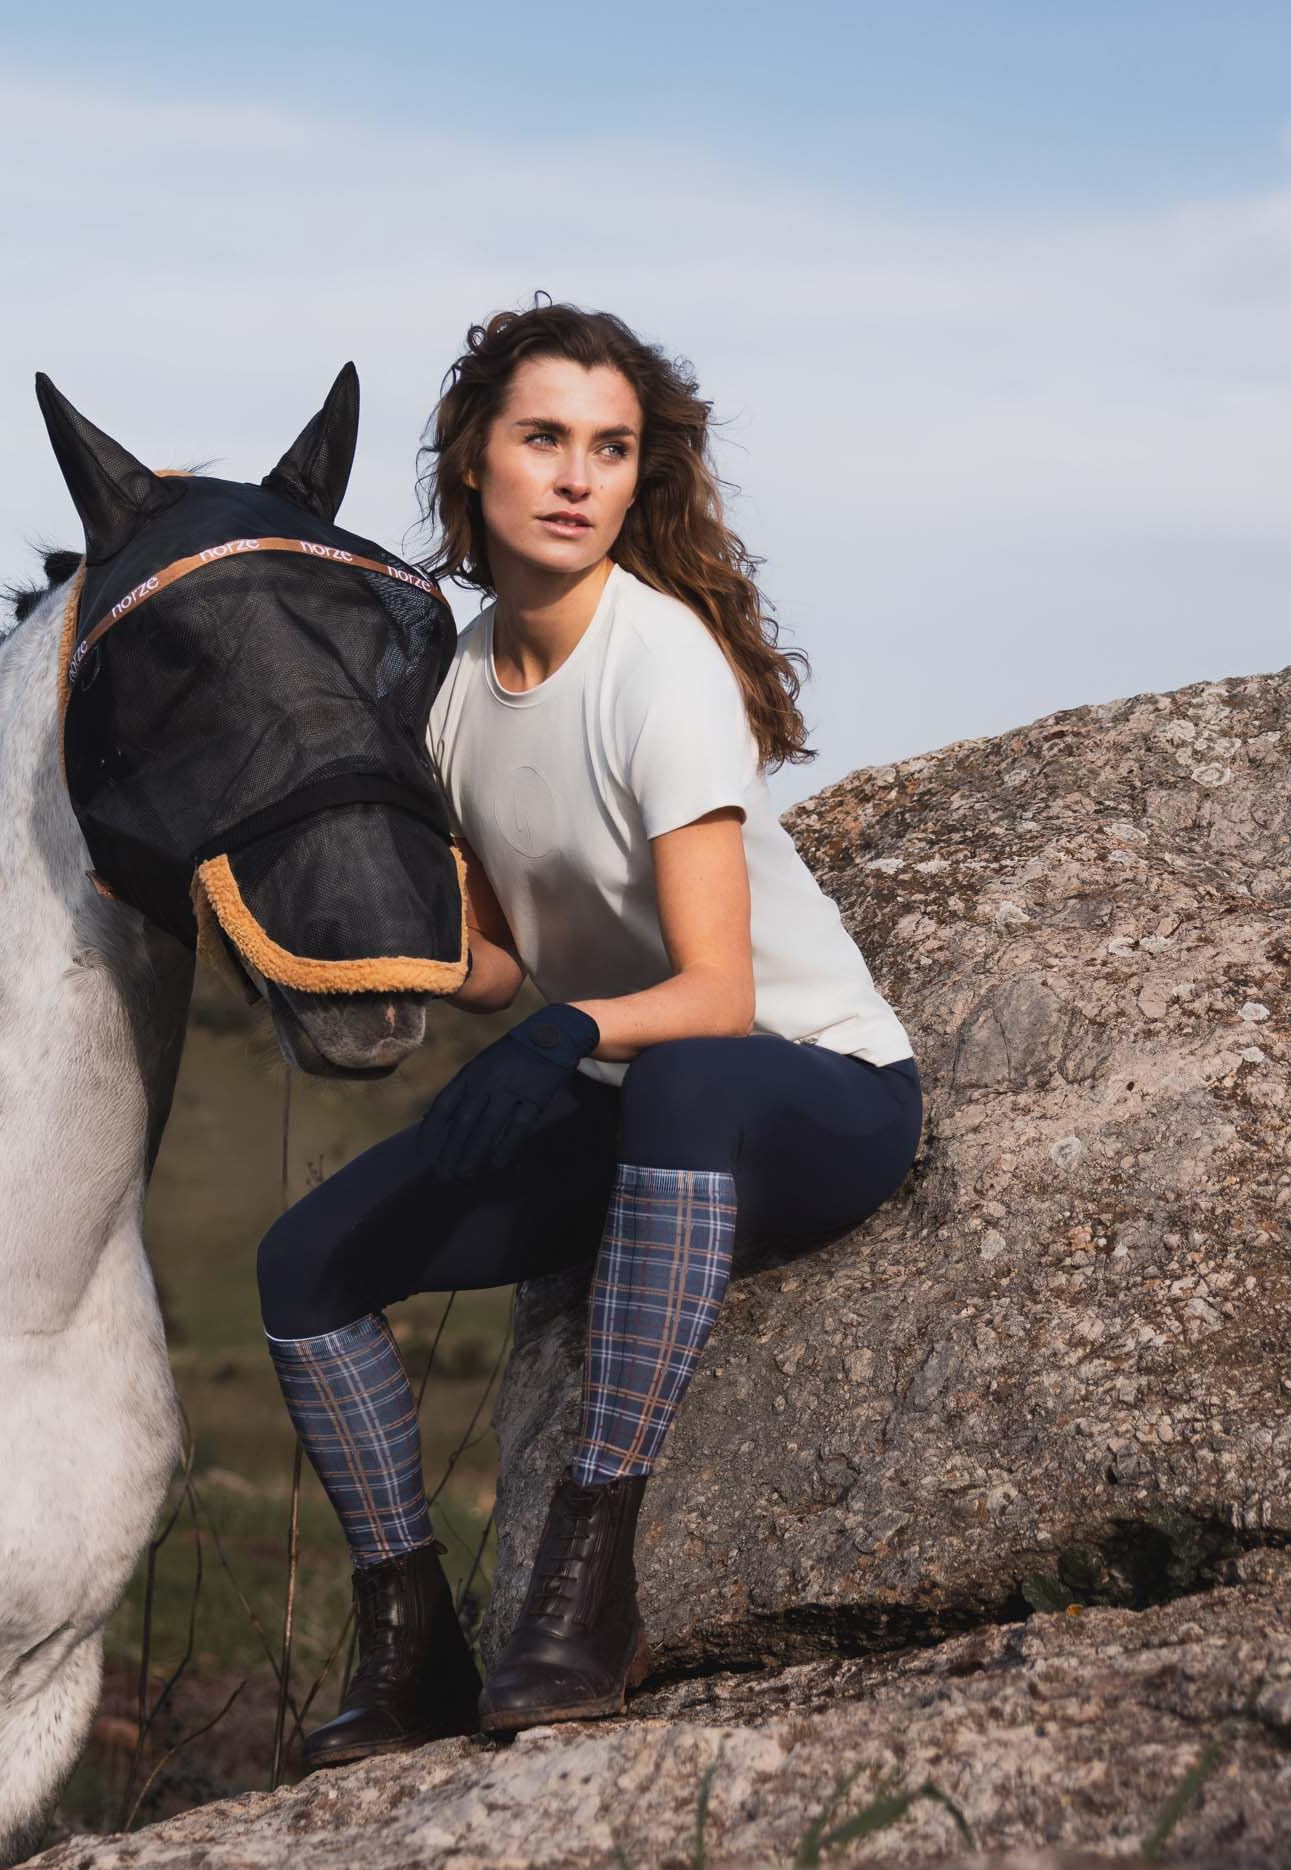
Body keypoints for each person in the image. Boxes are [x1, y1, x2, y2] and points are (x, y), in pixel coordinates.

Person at [257, 301, 924, 1766]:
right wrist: (387, 958)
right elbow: (502, 959)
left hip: (813, 1098)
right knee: (303, 1269)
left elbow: (718, 994)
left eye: (610, 449)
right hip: (635, 1099)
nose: (575, 477)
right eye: (545, 438)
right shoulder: (454, 690)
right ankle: (410, 1640)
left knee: (682, 1078)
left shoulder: (659, 666)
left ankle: (584, 1579)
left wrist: (559, 1039)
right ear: (473, 462)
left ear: (638, 479)